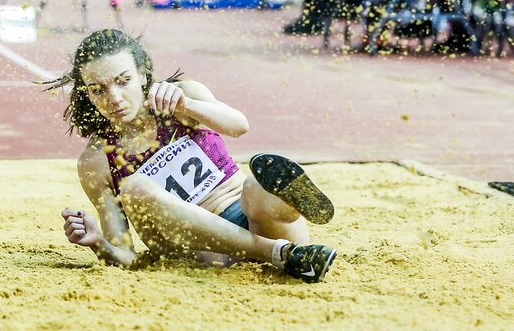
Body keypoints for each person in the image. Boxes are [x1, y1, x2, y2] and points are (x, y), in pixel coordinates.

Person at [49, 29, 337, 282]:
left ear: (143, 75)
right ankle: (279, 252)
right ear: (87, 94)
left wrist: (186, 106)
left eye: (123, 81)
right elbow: (126, 256)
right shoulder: (97, 160)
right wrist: (98, 243)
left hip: (257, 222)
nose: (113, 98)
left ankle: (289, 213)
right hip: (204, 253)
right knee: (135, 187)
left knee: (256, 186)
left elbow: (239, 126)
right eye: (98, 90)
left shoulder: (182, 96)